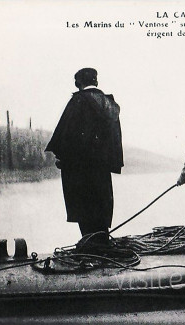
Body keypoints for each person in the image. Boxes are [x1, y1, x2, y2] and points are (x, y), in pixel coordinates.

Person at [46, 68, 123, 244]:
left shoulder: (78, 101)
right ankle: (102, 243)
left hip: (79, 169)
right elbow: (115, 140)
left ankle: (90, 246)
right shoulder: (109, 104)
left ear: (78, 83)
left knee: (84, 208)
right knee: (101, 205)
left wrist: (63, 159)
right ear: (96, 82)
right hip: (102, 169)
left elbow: (67, 134)